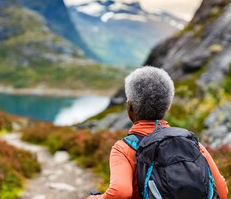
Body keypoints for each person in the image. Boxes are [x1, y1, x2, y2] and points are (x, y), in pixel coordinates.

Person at [87, 66, 228, 199]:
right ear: (167, 107)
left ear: (130, 107)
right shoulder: (190, 142)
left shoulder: (123, 148)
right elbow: (221, 190)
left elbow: (121, 192)